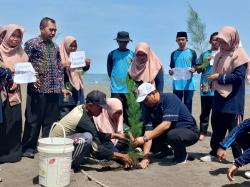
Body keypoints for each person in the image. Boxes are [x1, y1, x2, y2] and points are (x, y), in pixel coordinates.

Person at [201, 26, 249, 162]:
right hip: (219, 97)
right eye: (219, 41)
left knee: (235, 130)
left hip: (233, 100)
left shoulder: (240, 55)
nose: (220, 44)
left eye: (223, 41)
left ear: (232, 40)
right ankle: (214, 153)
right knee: (217, 127)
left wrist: (219, 77)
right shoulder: (220, 55)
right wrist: (212, 80)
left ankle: (239, 158)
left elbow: (239, 77)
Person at [52, 90, 133, 171]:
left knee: (89, 136)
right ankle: (71, 164)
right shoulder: (83, 119)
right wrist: (121, 156)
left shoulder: (82, 108)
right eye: (100, 107)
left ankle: (74, 158)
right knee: (87, 138)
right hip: (56, 147)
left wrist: (114, 135)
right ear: (90, 105)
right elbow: (98, 148)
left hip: (62, 141)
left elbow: (95, 134)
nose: (102, 111)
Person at [22, 17, 64, 158]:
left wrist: (61, 86)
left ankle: (45, 145)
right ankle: (28, 148)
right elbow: (23, 64)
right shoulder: (31, 43)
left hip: (54, 90)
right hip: (37, 89)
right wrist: (31, 78)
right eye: (50, 29)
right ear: (41, 29)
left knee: (49, 121)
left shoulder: (55, 47)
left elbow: (59, 68)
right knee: (33, 120)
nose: (53, 32)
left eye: (55, 30)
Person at [133, 83, 199, 169]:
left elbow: (166, 125)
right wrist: (145, 158)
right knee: (152, 132)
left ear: (153, 93)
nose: (145, 103)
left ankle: (182, 156)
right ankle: (166, 152)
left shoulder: (170, 98)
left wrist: (144, 138)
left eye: (146, 99)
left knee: (172, 135)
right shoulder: (148, 106)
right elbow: (148, 132)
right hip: (171, 131)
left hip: (189, 132)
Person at [0, 24, 29, 163]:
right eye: (13, 35)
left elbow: (26, 71)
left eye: (19, 37)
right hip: (2, 93)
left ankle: (14, 153)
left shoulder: (21, 53)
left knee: (15, 120)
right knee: (3, 122)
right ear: (6, 35)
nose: (16, 39)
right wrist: (7, 70)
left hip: (15, 92)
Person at [59, 36, 91, 118]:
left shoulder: (77, 57)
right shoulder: (60, 57)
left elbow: (81, 72)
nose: (73, 48)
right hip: (65, 90)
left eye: (75, 46)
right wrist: (64, 65)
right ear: (66, 45)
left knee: (77, 115)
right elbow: (55, 72)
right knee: (64, 114)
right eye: (71, 46)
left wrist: (87, 65)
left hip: (77, 90)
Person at [196, 32, 219, 140]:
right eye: (214, 39)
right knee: (205, 110)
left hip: (218, 86)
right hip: (205, 85)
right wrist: (205, 63)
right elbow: (198, 70)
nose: (216, 41)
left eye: (218, 39)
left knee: (217, 111)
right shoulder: (205, 54)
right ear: (210, 41)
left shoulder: (223, 54)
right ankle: (203, 131)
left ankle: (217, 132)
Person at [107, 31, 134, 125]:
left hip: (129, 89)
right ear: (117, 41)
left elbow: (135, 71)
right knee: (115, 111)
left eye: (125, 42)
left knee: (128, 113)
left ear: (128, 42)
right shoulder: (112, 54)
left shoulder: (132, 54)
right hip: (116, 88)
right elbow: (110, 70)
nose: (123, 43)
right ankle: (116, 132)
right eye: (121, 41)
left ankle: (127, 133)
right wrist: (116, 81)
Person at [169, 31, 197, 113]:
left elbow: (196, 65)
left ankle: (188, 124)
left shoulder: (192, 52)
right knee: (177, 105)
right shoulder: (173, 54)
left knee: (188, 105)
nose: (181, 42)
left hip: (189, 84)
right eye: (179, 40)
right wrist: (170, 71)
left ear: (186, 40)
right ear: (176, 41)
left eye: (183, 39)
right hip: (177, 84)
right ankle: (178, 124)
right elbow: (172, 67)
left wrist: (194, 69)